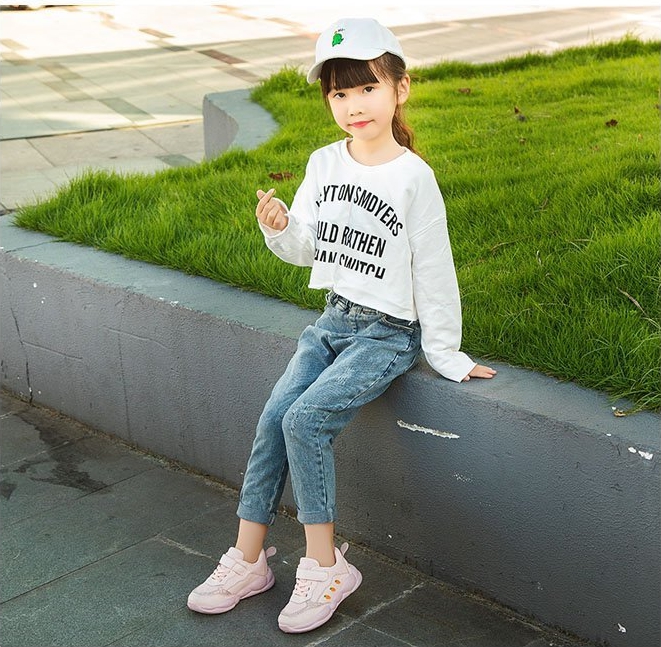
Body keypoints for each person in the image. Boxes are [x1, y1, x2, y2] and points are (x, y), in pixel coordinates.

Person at [187, 17, 497, 634]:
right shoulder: (324, 163)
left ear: (400, 89)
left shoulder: (413, 177)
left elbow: (435, 269)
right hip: (333, 320)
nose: (354, 106)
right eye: (339, 93)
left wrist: (447, 353)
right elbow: (308, 246)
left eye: (368, 88)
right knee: (274, 418)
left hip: (387, 332)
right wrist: (279, 228)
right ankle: (248, 559)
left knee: (305, 421)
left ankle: (326, 566)